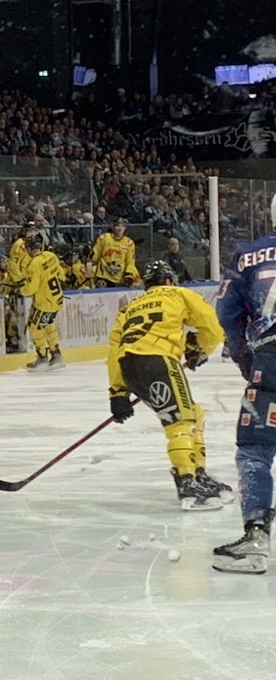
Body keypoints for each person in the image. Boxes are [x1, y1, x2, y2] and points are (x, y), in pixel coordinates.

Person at [106, 259, 231, 511]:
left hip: (129, 366)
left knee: (193, 413)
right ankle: (187, 480)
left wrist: (118, 392)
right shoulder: (178, 293)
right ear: (168, 280)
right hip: (160, 361)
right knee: (180, 421)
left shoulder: (129, 308)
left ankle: (197, 473)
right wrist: (200, 349)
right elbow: (213, 325)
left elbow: (114, 350)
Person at [213, 196, 276, 572]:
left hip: (272, 359)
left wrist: (244, 358)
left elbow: (227, 311)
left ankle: (256, 539)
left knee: (255, 448)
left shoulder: (249, 256)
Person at [20, 236, 66, 371]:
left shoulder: (34, 264)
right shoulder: (51, 256)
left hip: (43, 302)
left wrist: (20, 290)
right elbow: (61, 275)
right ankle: (56, 355)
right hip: (56, 299)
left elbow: (31, 288)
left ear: (29, 249)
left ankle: (42, 357)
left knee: (34, 327)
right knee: (47, 325)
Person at [92, 217, 139, 288]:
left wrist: (129, 274)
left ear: (125, 228)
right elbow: (95, 255)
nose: (120, 228)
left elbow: (130, 261)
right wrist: (90, 263)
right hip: (103, 277)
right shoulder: (104, 238)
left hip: (119, 279)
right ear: (113, 227)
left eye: (122, 226)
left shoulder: (129, 243)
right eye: (117, 225)